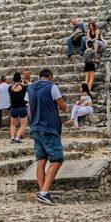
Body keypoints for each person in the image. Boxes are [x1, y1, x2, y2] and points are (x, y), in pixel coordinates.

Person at [27, 69, 68, 205]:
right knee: (57, 159)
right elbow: (63, 107)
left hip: (35, 127)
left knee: (41, 160)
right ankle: (44, 192)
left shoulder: (30, 88)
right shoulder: (52, 87)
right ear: (50, 77)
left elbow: (28, 108)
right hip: (49, 128)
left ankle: (43, 192)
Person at [9, 72, 29, 144]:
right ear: (20, 79)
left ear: (13, 79)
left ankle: (12, 137)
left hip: (13, 108)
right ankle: (17, 138)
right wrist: (23, 83)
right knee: (23, 124)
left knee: (13, 124)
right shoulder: (24, 87)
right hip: (22, 107)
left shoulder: (9, 88)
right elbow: (28, 87)